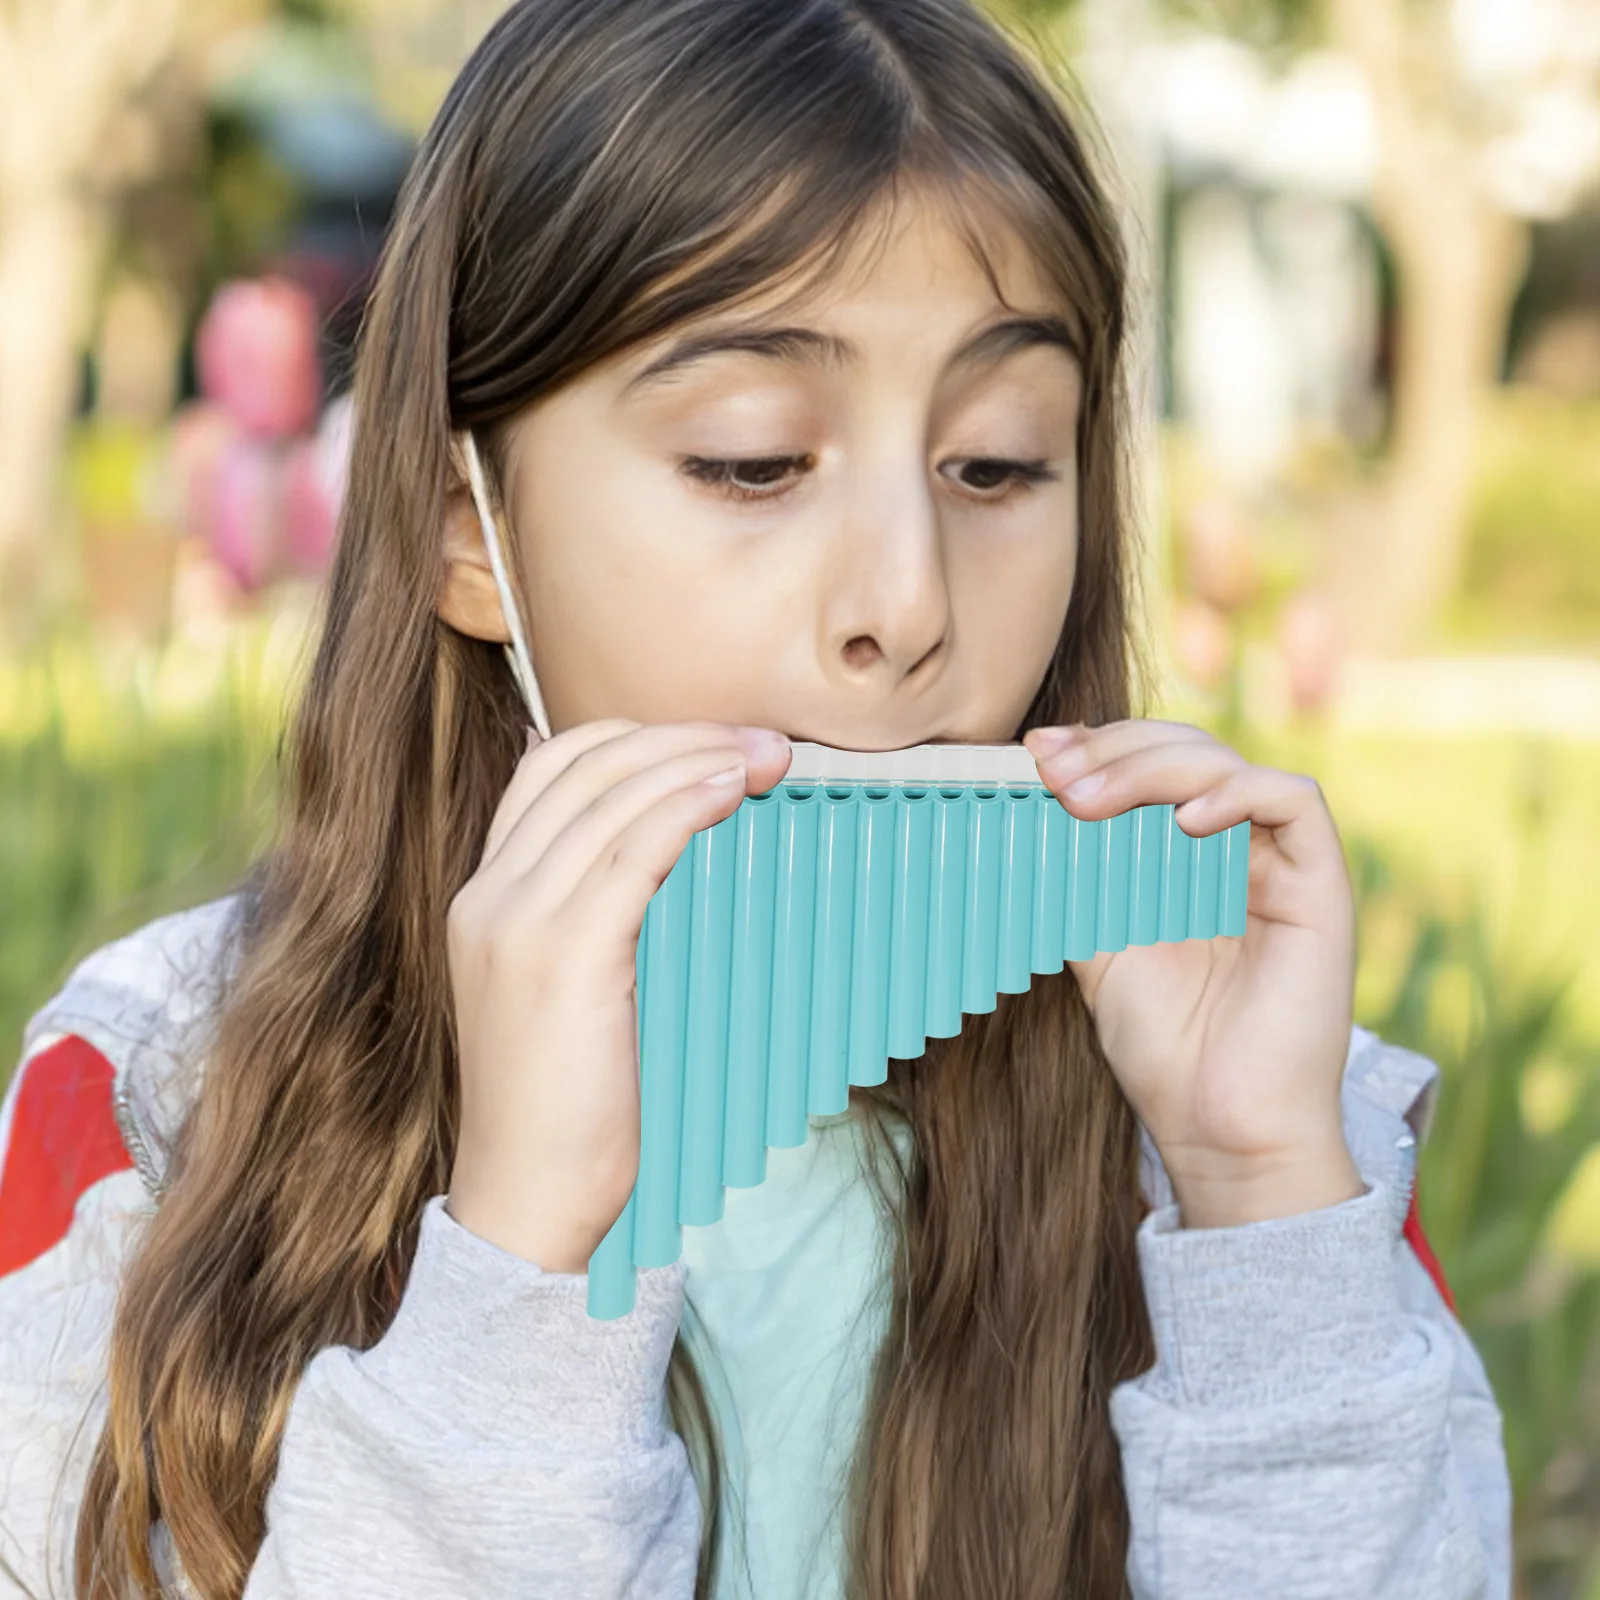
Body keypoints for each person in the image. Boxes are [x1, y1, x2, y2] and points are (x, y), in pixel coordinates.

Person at [0, 1, 1512, 1596]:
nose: (906, 602)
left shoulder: (1283, 1138)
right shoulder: (158, 1101)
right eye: (750, 461)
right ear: (466, 530)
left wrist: (1261, 1205)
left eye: (995, 465)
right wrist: (521, 1270)